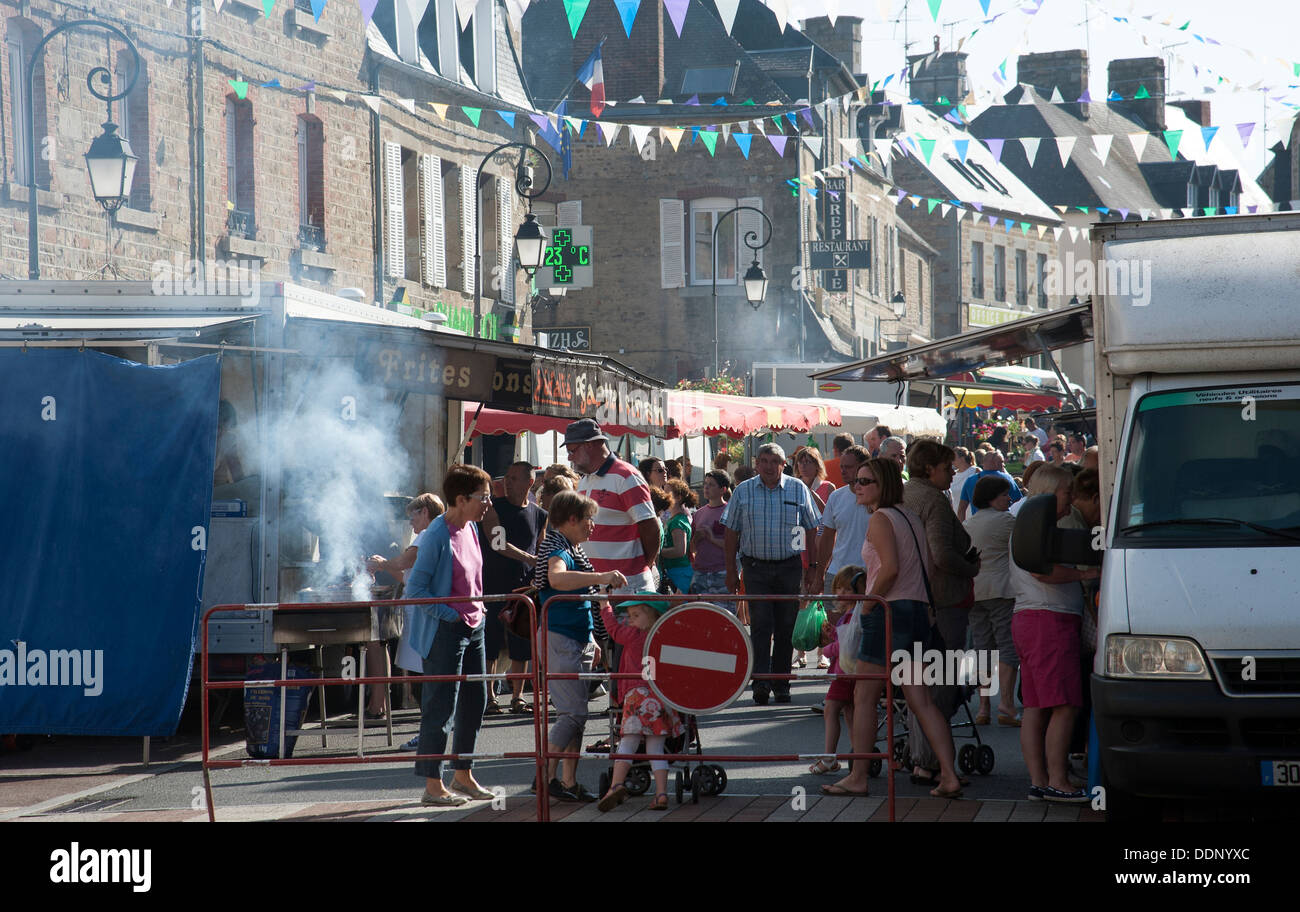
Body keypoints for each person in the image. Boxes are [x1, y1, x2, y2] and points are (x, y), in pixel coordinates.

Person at [821, 458, 964, 799]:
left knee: (865, 695)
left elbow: (890, 569)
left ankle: (858, 776)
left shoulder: (881, 518)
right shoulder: (910, 517)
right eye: (856, 480)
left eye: (865, 481)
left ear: (882, 484)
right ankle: (948, 774)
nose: (857, 486)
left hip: (889, 610)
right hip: (915, 611)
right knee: (920, 699)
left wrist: (868, 603)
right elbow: (925, 568)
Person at [1009, 464, 1102, 803]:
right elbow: (1042, 571)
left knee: (1036, 706)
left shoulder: (1030, 521)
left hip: (1031, 619)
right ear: (1051, 492)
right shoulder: (1041, 523)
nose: (1071, 499)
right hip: (1049, 620)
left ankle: (1040, 781)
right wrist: (1087, 573)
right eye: (1067, 492)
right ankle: (1058, 781)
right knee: (1064, 705)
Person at [405, 464, 495, 806]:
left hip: (474, 625)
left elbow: (473, 578)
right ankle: (432, 785)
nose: (487, 503)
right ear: (461, 499)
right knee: (440, 707)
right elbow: (416, 590)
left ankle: (463, 774)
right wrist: (451, 615)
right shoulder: (436, 535)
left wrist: (477, 612)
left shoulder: (471, 527)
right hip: (447, 629)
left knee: (475, 702)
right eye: (482, 497)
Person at [534, 490, 627, 802]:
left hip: (574, 638)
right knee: (573, 714)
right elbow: (557, 580)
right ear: (572, 519)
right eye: (589, 519)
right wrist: (602, 575)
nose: (592, 526)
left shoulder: (567, 545)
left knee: (576, 714)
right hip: (560, 638)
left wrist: (589, 638)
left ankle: (568, 781)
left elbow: (576, 591)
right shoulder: (556, 546)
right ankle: (545, 778)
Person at [901, 439, 981, 787]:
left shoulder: (906, 493)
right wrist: (969, 568)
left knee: (921, 683)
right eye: (947, 467)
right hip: (943, 601)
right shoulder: (932, 498)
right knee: (940, 684)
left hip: (915, 598)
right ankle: (929, 762)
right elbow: (940, 553)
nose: (951, 473)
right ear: (929, 468)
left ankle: (922, 759)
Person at [722, 443, 821, 705]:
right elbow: (730, 532)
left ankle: (781, 683)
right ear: (756, 464)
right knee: (761, 625)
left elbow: (812, 530)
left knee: (786, 626)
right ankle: (761, 683)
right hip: (755, 568)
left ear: (782, 465)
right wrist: (731, 571)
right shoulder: (743, 491)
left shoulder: (798, 488)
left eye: (774, 461)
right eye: (763, 460)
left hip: (790, 566)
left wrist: (812, 568)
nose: (768, 466)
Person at [368, 493, 445, 749]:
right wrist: (384, 567)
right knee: (418, 675)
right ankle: (431, 730)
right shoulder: (429, 534)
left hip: (424, 616)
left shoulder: (427, 535)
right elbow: (405, 577)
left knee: (422, 677)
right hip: (419, 614)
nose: (410, 520)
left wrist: (381, 562)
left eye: (413, 514)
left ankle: (430, 732)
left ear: (424, 512)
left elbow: (403, 562)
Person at [596, 595, 683, 812]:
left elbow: (613, 630)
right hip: (661, 696)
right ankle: (661, 793)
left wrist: (605, 607)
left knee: (628, 741)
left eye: (636, 615)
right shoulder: (665, 637)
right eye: (629, 615)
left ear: (653, 616)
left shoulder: (634, 635)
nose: (630, 619)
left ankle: (615, 785)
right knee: (656, 747)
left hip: (637, 696)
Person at [478, 461, 545, 716]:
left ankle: (518, 697)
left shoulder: (540, 514)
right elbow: (497, 542)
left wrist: (539, 574)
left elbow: (540, 548)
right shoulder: (493, 508)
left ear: (529, 482)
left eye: (514, 478)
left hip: (524, 589)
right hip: (493, 585)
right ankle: (490, 696)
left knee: (521, 642)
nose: (507, 482)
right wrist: (528, 559)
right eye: (506, 477)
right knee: (490, 642)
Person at [566, 419, 660, 594]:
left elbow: (651, 528)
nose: (569, 457)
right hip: (597, 586)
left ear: (590, 445)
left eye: (572, 451)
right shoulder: (584, 480)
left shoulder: (626, 475)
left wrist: (639, 568)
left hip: (626, 585)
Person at [962, 475, 1019, 726]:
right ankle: (1006, 704)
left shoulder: (968, 523)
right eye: (1004, 494)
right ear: (992, 498)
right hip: (1001, 590)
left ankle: (983, 706)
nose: (1009, 498)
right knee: (1007, 646)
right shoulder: (1007, 521)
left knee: (982, 648)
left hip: (975, 591)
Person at [807, 565, 862, 775]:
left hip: (844, 673)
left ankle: (830, 756)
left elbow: (845, 646)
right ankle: (859, 752)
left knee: (830, 710)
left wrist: (828, 649)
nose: (841, 593)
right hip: (849, 671)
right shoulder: (850, 615)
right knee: (849, 712)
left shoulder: (850, 616)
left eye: (847, 589)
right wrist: (833, 634)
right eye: (839, 588)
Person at [816, 445, 873, 596]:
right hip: (837, 574)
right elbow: (827, 538)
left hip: (868, 575)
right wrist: (819, 574)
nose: (842, 470)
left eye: (848, 467)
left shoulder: (879, 498)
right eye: (841, 466)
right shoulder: (835, 497)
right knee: (836, 620)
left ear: (863, 467)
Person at [689, 470, 731, 598]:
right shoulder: (698, 514)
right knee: (700, 614)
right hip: (700, 572)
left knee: (722, 613)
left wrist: (711, 538)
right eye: (705, 484)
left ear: (723, 489)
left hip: (722, 572)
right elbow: (692, 548)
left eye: (711, 485)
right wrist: (697, 538)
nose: (706, 487)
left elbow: (734, 546)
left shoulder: (730, 512)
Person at [957, 449, 1022, 521]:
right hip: (1002, 523)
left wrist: (962, 529)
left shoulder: (970, 480)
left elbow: (961, 509)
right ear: (996, 463)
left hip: (978, 524)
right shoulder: (1007, 478)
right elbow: (1018, 503)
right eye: (1002, 462)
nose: (1004, 465)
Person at [658, 478, 696, 593]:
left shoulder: (678, 522)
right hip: (676, 571)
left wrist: (658, 552)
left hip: (679, 573)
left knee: (679, 609)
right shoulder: (673, 519)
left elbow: (680, 551)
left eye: (667, 493)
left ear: (678, 498)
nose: (664, 495)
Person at [950, 447, 978, 512]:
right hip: (956, 513)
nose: (952, 461)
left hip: (972, 514)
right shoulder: (953, 474)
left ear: (962, 459)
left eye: (954, 458)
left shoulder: (975, 471)